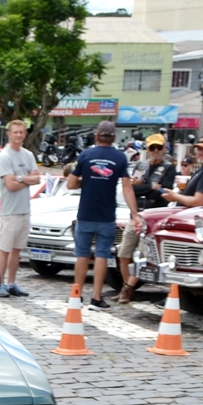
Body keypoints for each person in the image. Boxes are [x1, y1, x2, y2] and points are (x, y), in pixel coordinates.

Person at [67, 121, 142, 310]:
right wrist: (135, 214)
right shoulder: (120, 157)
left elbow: (70, 184)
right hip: (107, 215)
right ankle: (96, 298)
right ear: (114, 137)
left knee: (82, 255)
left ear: (96, 136)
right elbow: (127, 188)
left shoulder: (85, 155)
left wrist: (87, 181)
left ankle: (76, 295)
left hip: (85, 213)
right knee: (102, 255)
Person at [116, 134, 177, 303]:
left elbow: (163, 192)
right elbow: (132, 189)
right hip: (136, 214)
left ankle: (128, 289)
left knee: (144, 256)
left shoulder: (168, 168)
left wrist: (146, 188)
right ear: (148, 150)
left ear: (164, 148)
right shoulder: (140, 165)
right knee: (124, 253)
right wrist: (151, 187)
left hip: (153, 219)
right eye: (152, 148)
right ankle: (127, 287)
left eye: (159, 147)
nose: (155, 151)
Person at [0, 119, 41, 298]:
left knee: (17, 249)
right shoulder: (5, 156)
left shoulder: (28, 155)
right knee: (5, 249)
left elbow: (37, 179)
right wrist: (26, 179)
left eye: (21, 132)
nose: (19, 135)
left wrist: (19, 178)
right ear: (9, 134)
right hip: (10, 211)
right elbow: (10, 185)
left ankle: (12, 283)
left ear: (25, 134)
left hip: (24, 209)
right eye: (15, 132)